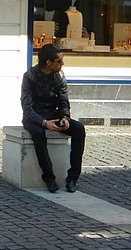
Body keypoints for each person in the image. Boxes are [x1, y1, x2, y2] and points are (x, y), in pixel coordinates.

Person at [20, 43, 86, 193]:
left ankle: (73, 177)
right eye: (59, 61)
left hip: (53, 113)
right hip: (34, 117)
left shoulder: (59, 76)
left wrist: (64, 117)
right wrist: (44, 123)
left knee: (79, 129)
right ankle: (49, 178)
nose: (62, 64)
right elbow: (27, 108)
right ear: (48, 62)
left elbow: (63, 100)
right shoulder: (30, 76)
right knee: (38, 133)